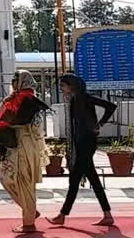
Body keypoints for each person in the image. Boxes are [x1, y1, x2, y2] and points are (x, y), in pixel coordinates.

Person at [47, 73, 117, 227]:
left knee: (75, 179)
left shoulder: (83, 98)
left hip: (87, 142)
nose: (62, 89)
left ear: (72, 86)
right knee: (93, 179)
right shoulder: (74, 100)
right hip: (82, 142)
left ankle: (62, 214)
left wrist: (100, 124)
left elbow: (111, 106)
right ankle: (107, 214)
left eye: (63, 86)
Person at [0, 70, 50, 234]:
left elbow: (31, 125)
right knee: (8, 179)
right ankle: (30, 211)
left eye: (16, 80)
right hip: (19, 145)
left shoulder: (28, 101)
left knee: (24, 183)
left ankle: (28, 223)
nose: (13, 82)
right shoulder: (18, 99)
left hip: (23, 145)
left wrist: (7, 123)